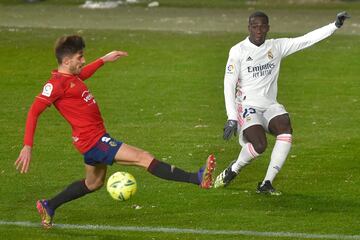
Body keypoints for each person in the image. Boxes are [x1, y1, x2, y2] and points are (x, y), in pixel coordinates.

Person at [14, 35, 216, 228]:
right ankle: (196, 178)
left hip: (91, 140)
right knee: (143, 157)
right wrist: (27, 146)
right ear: (66, 61)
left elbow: (84, 73)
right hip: (94, 141)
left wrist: (104, 59)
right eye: (80, 57)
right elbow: (33, 112)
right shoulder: (55, 84)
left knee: (93, 183)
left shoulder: (71, 77)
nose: (83, 61)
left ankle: (49, 205)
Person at [214, 11, 350, 194]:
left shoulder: (276, 47)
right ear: (249, 28)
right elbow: (228, 85)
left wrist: (334, 26)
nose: (259, 30)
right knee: (260, 146)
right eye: (255, 27)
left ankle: (266, 183)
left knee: (285, 125)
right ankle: (234, 169)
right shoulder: (238, 51)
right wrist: (231, 117)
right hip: (247, 107)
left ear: (268, 28)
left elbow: (305, 40)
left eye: (263, 26)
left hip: (269, 105)